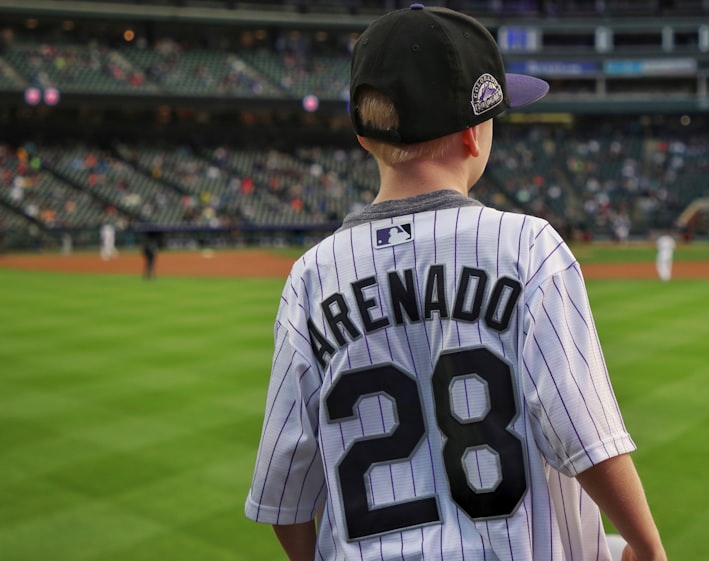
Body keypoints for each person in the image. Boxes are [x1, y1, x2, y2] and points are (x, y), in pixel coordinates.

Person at [244, 6, 667, 561]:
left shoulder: (311, 278)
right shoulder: (528, 247)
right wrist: (646, 546)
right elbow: (583, 435)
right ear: (473, 133)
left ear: (363, 137)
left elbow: (286, 491)